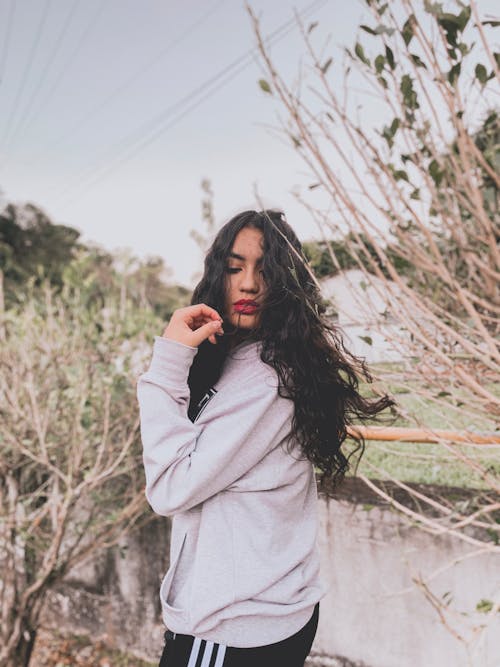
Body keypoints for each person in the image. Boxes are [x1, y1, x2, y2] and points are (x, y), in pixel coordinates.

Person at [136, 209, 395, 667]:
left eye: (266, 271)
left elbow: (170, 488)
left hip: (233, 625)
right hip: (260, 610)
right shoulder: (248, 357)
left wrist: (168, 362)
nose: (250, 284)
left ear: (287, 283)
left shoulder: (270, 377)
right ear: (218, 274)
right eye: (235, 268)